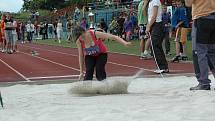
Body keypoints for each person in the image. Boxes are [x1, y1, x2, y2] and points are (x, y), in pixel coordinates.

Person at [185, 0, 215, 90]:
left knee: (199, 52)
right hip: (213, 17)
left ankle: (203, 82)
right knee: (212, 52)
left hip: (201, 17)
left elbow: (188, 3)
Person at [146, 0, 169, 73]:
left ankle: (162, 67)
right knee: (156, 46)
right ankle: (163, 67)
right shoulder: (150, 2)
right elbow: (149, 16)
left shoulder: (155, 1)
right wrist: (148, 26)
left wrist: (149, 26)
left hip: (157, 24)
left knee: (155, 45)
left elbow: (154, 15)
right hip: (153, 25)